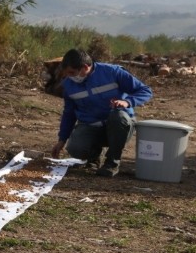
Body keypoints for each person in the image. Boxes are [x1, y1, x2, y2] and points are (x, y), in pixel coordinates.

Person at [49, 48, 153, 177]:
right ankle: (93, 156)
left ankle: (112, 162)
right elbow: (69, 113)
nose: (70, 77)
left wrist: (127, 102)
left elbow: (145, 91)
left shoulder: (112, 72)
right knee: (75, 148)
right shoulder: (69, 85)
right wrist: (62, 139)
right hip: (92, 125)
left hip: (119, 126)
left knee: (118, 116)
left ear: (85, 67)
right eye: (67, 74)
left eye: (72, 73)